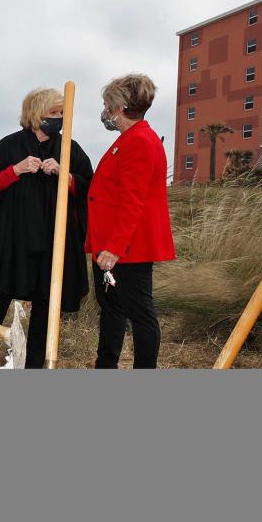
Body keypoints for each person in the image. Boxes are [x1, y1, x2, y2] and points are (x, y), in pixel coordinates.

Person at [0, 88, 93, 369]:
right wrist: (14, 171)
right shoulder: (9, 147)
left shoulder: (70, 149)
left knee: (48, 300)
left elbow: (89, 188)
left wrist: (66, 175)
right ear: (36, 115)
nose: (58, 119)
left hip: (54, 240)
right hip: (15, 239)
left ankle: (35, 363)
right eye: (53, 113)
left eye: (62, 113)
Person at [87, 74, 175, 368]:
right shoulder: (128, 140)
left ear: (121, 107)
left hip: (127, 249)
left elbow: (133, 202)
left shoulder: (139, 141)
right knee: (111, 310)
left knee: (140, 315)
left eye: (108, 105)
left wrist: (114, 248)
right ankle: (105, 366)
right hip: (112, 245)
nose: (106, 111)